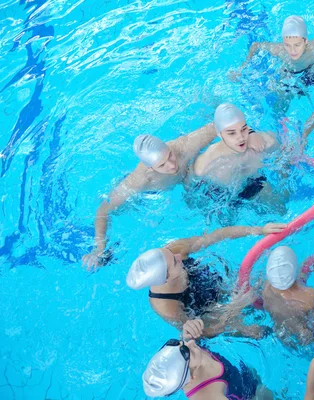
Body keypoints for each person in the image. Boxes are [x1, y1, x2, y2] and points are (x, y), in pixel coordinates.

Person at [82, 124, 266, 270]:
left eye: (170, 156)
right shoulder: (140, 180)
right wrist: (99, 247)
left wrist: (251, 133)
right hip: (150, 197)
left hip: (191, 182)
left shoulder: (182, 146)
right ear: (150, 168)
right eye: (163, 165)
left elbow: (220, 125)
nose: (172, 165)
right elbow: (104, 209)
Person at [126, 222, 286, 338]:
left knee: (266, 282)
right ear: (165, 279)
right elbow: (206, 332)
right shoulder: (166, 306)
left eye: (169, 253)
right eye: (174, 261)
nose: (177, 255)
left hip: (217, 285)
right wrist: (235, 307)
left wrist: (258, 230)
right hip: (209, 311)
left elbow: (217, 236)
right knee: (256, 332)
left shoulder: (173, 250)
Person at [142, 322, 273, 399]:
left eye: (178, 343)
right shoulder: (209, 396)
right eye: (187, 352)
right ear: (192, 376)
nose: (191, 343)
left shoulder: (186, 358)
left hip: (246, 374)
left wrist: (189, 329)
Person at [191, 103, 284, 208]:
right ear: (219, 134)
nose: (240, 138)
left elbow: (284, 163)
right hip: (222, 197)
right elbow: (192, 196)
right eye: (231, 133)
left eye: (244, 129)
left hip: (254, 183)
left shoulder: (266, 143)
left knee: (279, 206)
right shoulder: (204, 166)